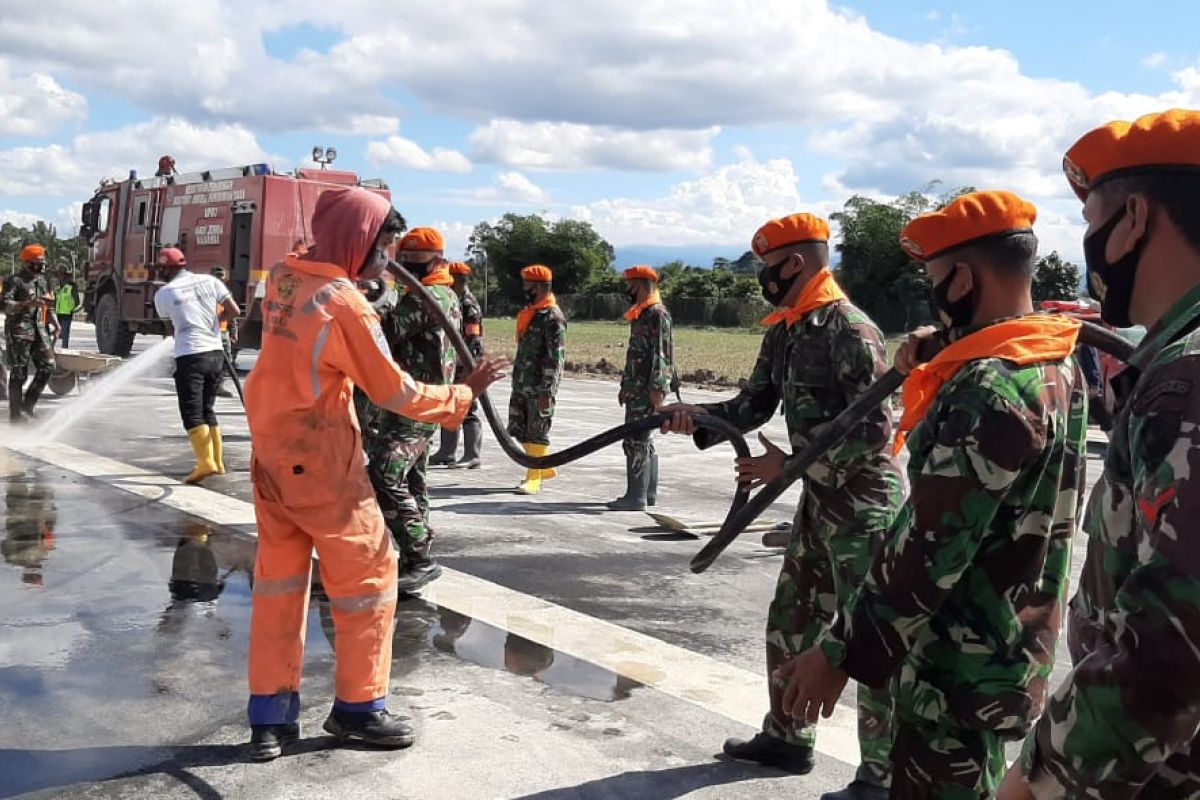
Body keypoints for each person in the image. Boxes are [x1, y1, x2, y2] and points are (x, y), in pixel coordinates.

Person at [777, 192, 1088, 800]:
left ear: (964, 279)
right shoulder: (1049, 360)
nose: (932, 295)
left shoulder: (990, 386)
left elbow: (929, 544)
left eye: (935, 280)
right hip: (1005, 648)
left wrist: (839, 651)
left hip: (957, 665)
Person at [242, 186, 506, 762]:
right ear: (360, 239)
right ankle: (359, 710)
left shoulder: (284, 277)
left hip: (269, 457)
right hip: (323, 466)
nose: (388, 255)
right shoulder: (342, 303)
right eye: (383, 242)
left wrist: (367, 284)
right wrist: (465, 392)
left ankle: (269, 719)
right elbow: (394, 391)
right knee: (369, 581)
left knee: (280, 586)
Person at [659, 213, 903, 799]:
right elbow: (755, 403)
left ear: (795, 263)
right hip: (820, 500)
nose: (762, 278)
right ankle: (789, 737)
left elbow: (874, 433)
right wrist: (699, 418)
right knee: (792, 619)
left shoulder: (851, 329)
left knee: (866, 635)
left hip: (864, 505)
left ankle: (883, 774)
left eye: (768, 268)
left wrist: (785, 468)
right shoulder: (788, 329)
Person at [1001, 109, 1200, 799]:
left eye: (1091, 222)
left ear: (1135, 218)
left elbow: (1171, 646)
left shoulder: (1189, 378)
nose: (1088, 245)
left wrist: (1040, 778)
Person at [363, 227, 461, 594]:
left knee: (384, 474)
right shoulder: (443, 292)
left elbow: (385, 332)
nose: (409, 271)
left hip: (416, 402)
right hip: (418, 399)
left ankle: (420, 558)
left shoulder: (428, 296)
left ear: (436, 261)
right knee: (413, 478)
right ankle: (412, 555)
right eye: (404, 265)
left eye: (414, 265)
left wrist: (367, 301)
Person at [152, 248, 239, 484]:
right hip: (215, 355)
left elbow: (171, 330)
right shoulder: (210, 281)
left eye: (161, 269)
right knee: (208, 409)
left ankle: (205, 463)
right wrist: (213, 326)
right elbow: (234, 311)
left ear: (167, 269)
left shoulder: (163, 295)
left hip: (190, 356)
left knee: (191, 412)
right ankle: (217, 462)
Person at [607, 265, 676, 511]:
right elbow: (637, 356)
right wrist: (626, 386)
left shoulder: (656, 314)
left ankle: (635, 497)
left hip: (646, 390)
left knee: (637, 440)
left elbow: (661, 355)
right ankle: (647, 494)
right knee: (644, 439)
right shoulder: (643, 313)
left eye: (629, 283)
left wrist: (658, 391)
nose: (627, 289)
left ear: (640, 284)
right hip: (637, 389)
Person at [509, 264, 566, 495]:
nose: (524, 288)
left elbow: (557, 358)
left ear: (540, 286)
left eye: (527, 284)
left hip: (540, 386)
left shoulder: (552, 317)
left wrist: (547, 391)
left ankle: (534, 477)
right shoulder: (531, 313)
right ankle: (545, 466)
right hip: (523, 382)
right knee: (517, 429)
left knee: (537, 431)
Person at [430, 261, 486, 469]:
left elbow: (473, 339)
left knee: (468, 408)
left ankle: (472, 454)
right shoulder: (454, 300)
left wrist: (469, 369)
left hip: (467, 363)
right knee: (450, 405)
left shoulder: (469, 305)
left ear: (458, 280)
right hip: (454, 361)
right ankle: (447, 452)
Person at [3, 245, 59, 422]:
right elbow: (5, 305)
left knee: (48, 365)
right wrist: (26, 304)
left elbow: (47, 303)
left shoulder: (42, 281)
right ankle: (16, 415)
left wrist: (56, 323)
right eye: (39, 263)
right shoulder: (15, 281)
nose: (42, 266)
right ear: (28, 263)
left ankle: (28, 405)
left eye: (43, 263)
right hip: (19, 329)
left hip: (39, 328)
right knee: (20, 372)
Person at [210, 266, 239, 398]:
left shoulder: (227, 293)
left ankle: (219, 386)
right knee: (209, 360)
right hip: (209, 332)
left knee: (226, 360)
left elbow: (232, 314)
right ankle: (208, 386)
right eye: (217, 276)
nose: (219, 279)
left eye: (221, 277)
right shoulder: (206, 293)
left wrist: (233, 331)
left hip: (223, 331)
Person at [53, 267, 80, 349]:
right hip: (59, 313)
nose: (59, 277)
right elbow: (55, 299)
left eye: (60, 275)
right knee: (59, 331)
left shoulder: (71, 287)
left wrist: (72, 309)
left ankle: (64, 348)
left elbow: (77, 301)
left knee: (65, 332)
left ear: (65, 276)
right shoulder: (57, 288)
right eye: (58, 275)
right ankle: (55, 347)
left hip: (67, 313)